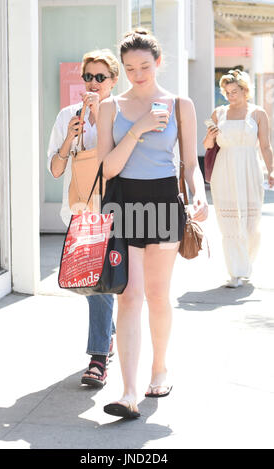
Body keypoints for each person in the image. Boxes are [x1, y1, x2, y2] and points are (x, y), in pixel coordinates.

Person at [97, 29, 208, 418]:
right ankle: (128, 392)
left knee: (158, 295)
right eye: (129, 68)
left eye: (144, 66)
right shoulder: (110, 106)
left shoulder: (181, 104)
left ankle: (159, 368)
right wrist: (140, 127)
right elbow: (108, 168)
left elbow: (191, 164)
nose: (137, 74)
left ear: (158, 62)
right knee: (128, 295)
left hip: (163, 202)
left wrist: (199, 193)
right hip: (124, 202)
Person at [47, 49, 120, 387]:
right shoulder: (66, 115)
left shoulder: (121, 113)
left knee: (102, 284)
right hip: (82, 209)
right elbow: (57, 169)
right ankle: (106, 339)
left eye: (100, 77)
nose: (92, 83)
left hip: (117, 207)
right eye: (88, 76)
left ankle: (97, 358)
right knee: (96, 284)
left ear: (113, 81)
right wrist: (70, 136)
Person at [203, 69, 274, 288]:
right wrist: (210, 136)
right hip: (224, 169)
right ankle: (236, 271)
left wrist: (271, 170)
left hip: (250, 168)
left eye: (234, 91)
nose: (230, 96)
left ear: (245, 90)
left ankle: (246, 265)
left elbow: (265, 145)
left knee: (251, 223)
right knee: (229, 222)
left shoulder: (258, 113)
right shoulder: (218, 113)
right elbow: (207, 146)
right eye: (227, 92)